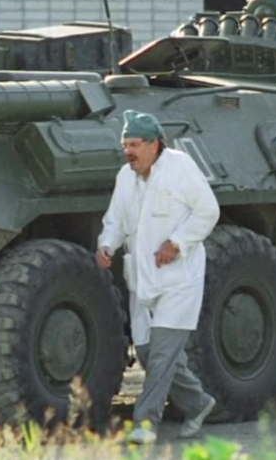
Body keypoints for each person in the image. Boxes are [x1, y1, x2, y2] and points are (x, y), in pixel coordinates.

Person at [96, 110, 220, 445]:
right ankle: (198, 403)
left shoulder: (180, 167)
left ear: (154, 144)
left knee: (164, 354)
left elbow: (208, 210)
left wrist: (177, 243)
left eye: (135, 144)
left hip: (180, 278)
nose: (129, 152)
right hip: (142, 279)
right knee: (151, 355)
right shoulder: (126, 176)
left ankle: (145, 423)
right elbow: (116, 219)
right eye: (125, 145)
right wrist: (107, 244)